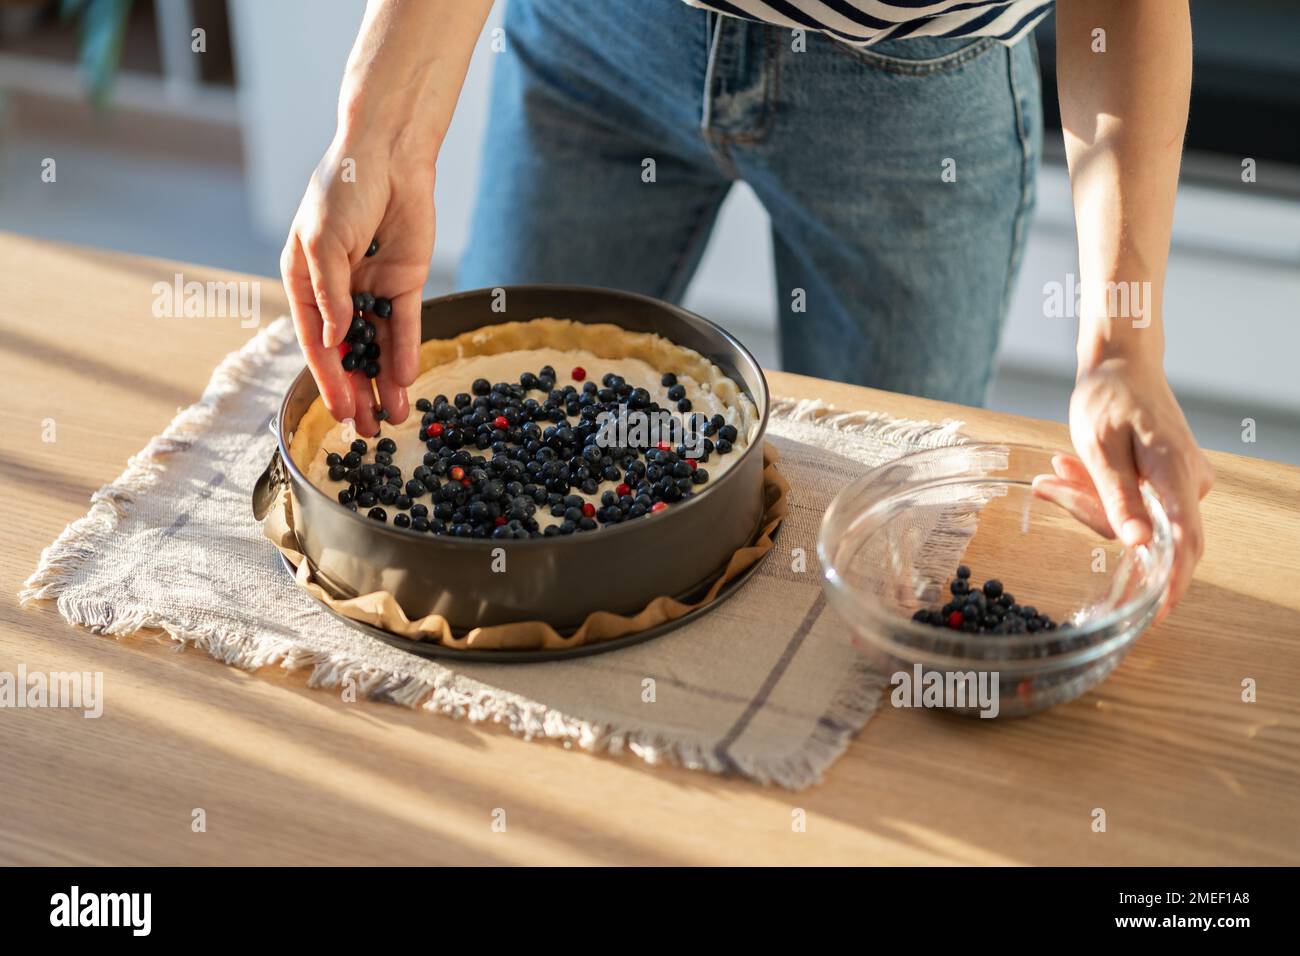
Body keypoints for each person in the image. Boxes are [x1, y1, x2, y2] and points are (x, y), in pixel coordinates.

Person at [280, 0, 1212, 615]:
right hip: (594, 34)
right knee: (463, 476)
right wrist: (379, 137)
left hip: (911, 98)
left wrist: (1122, 344)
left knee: (866, 561)